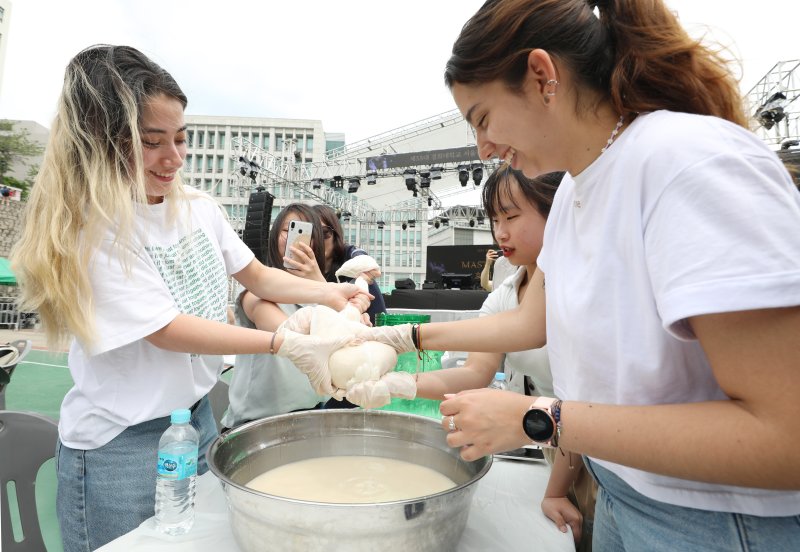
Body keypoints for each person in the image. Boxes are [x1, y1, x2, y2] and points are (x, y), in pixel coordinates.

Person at [335, 1, 800, 549]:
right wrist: (398, 337)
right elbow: (530, 326)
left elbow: (786, 436)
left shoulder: (687, 163)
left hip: (713, 519)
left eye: (482, 118)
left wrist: (540, 418)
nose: (483, 148)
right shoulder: (580, 188)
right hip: (622, 488)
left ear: (541, 76)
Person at [9, 45, 366, 552]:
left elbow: (259, 276)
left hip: (194, 421)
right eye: (152, 143)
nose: (173, 157)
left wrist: (331, 293)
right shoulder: (96, 229)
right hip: (121, 445)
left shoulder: (197, 208)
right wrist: (281, 342)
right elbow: (166, 329)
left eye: (180, 138)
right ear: (101, 143)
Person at [222, 203, 355, 429]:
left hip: (310, 419)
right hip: (255, 425)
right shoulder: (256, 293)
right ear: (275, 237)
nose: (299, 237)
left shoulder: (326, 293)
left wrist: (319, 283)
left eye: (310, 233)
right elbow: (288, 332)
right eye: (290, 229)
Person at [311, 204, 387, 325]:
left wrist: (365, 265)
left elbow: (359, 255)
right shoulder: (297, 270)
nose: (317, 241)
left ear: (336, 235)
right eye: (311, 234)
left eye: (324, 233)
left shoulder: (349, 256)